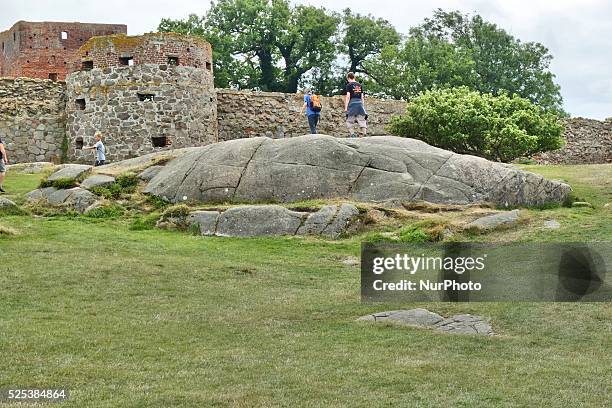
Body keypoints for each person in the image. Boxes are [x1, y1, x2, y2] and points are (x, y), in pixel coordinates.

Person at [344, 72, 368, 138]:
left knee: (349, 120)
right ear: (354, 77)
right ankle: (365, 134)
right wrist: (362, 106)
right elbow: (362, 96)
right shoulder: (360, 85)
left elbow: (348, 96)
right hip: (360, 103)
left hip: (352, 103)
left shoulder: (349, 85)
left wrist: (346, 107)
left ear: (348, 78)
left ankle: (352, 134)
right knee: (362, 119)